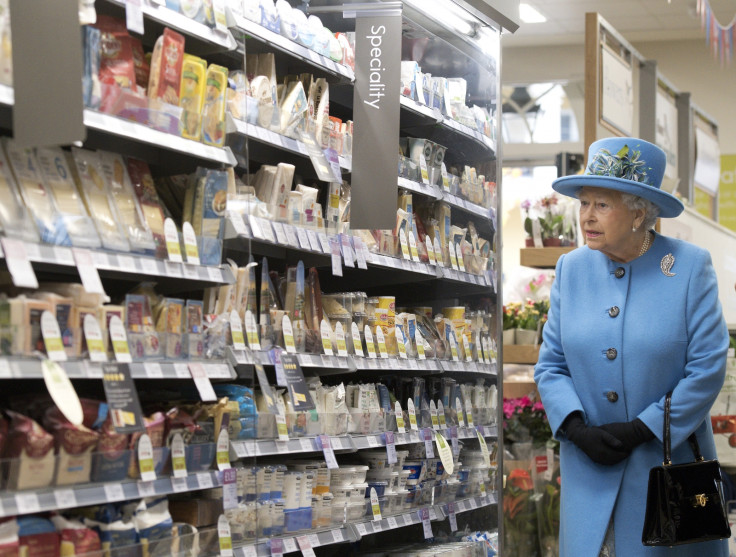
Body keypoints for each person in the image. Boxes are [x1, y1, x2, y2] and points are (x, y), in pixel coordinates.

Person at [534, 137, 729, 557]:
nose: (587, 216)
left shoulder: (689, 267)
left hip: (663, 473)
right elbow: (551, 365)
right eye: (583, 203)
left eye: (601, 205)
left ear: (640, 211)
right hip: (587, 473)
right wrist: (574, 427)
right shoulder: (571, 268)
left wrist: (645, 427)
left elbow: (708, 366)